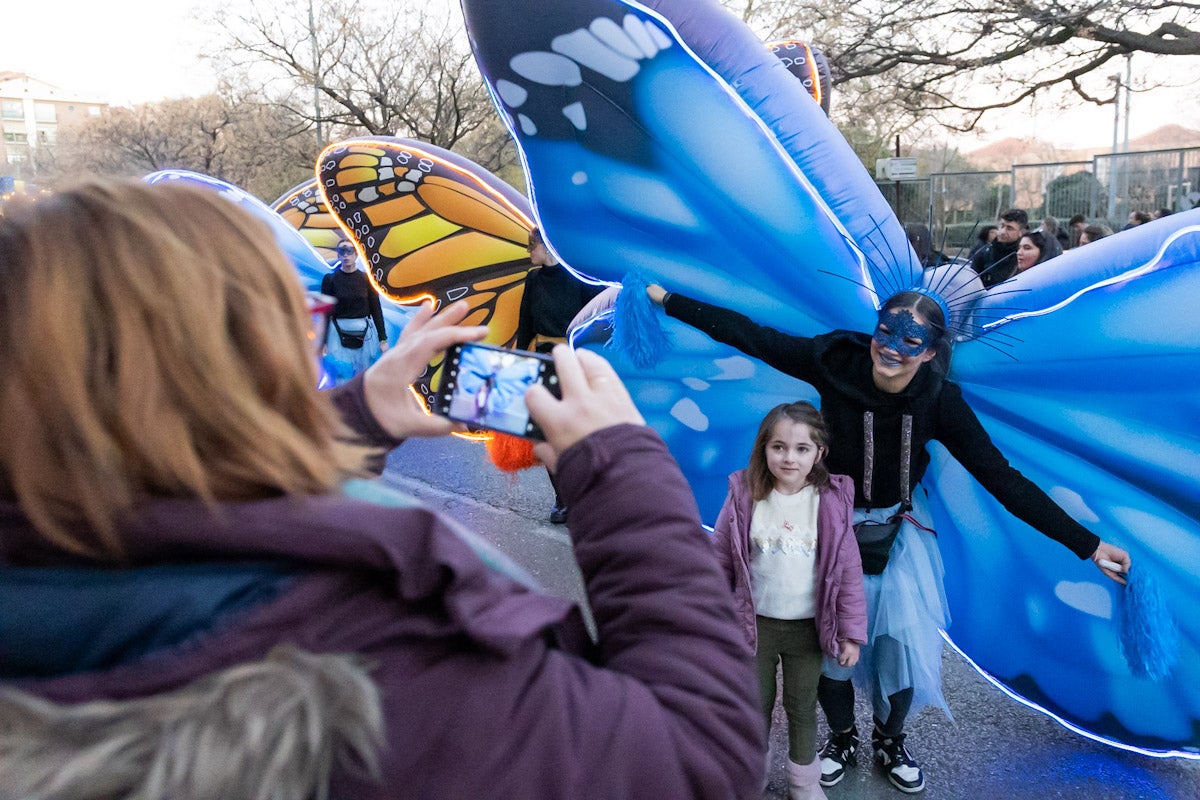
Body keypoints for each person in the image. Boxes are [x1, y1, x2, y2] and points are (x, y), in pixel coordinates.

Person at [0, 180, 764, 800]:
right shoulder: (372, 673)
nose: (309, 346)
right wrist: (622, 471)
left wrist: (352, 420)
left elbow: (166, 505)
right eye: (299, 323)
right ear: (219, 365)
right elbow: (697, 758)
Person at [641, 281, 1131, 794]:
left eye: (911, 340)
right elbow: (751, 335)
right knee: (828, 645)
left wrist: (1088, 545)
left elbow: (1000, 478)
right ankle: (842, 736)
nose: (893, 347)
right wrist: (668, 300)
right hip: (825, 529)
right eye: (885, 331)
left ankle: (890, 739)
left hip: (900, 534)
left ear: (933, 352)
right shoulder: (834, 360)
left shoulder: (940, 400)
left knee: (899, 647)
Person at [712, 402, 867, 800]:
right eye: (778, 446)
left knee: (801, 708)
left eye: (801, 448)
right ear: (764, 447)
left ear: (819, 453)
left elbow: (847, 572)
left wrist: (850, 634)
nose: (789, 457)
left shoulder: (830, 503)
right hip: (754, 627)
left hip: (807, 632)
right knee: (753, 707)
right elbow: (719, 560)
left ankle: (804, 784)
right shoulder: (745, 495)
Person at [515, 227, 607, 524]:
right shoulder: (533, 279)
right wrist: (519, 364)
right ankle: (562, 498)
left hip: (574, 363)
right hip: (542, 360)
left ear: (546, 246)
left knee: (579, 435)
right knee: (547, 433)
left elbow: (596, 320)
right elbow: (525, 323)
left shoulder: (577, 278)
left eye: (532, 246)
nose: (529, 252)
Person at [321, 238, 389, 384]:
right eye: (342, 251)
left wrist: (383, 338)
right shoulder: (330, 280)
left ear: (356, 254)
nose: (346, 255)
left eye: (349, 251)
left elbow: (376, 309)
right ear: (338, 255)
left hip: (364, 333)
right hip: (337, 333)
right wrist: (323, 341)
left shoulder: (366, 279)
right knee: (340, 376)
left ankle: (359, 405)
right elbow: (325, 313)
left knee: (363, 377)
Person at [970, 208, 1027, 288]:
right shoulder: (983, 254)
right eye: (1002, 226)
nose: (1003, 231)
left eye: (1009, 228)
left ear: (1021, 232)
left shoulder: (1024, 256)